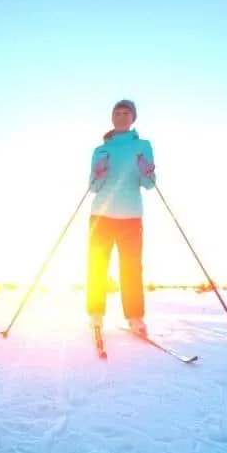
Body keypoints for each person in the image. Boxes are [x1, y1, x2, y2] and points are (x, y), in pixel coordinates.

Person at [86, 99, 156, 337]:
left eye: (127, 113)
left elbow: (149, 184)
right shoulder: (101, 149)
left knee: (131, 269)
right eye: (118, 112)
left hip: (130, 215)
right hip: (101, 215)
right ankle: (96, 314)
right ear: (112, 117)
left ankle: (135, 318)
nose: (122, 116)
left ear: (133, 118)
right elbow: (93, 187)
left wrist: (148, 171)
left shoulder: (143, 145)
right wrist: (99, 172)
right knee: (97, 266)